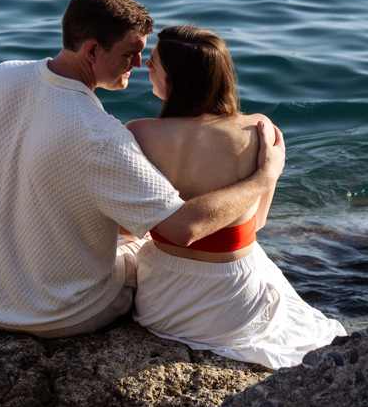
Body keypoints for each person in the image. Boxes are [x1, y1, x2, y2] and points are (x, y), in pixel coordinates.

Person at [0, 0, 288, 336]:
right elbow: (184, 230)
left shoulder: (2, 75)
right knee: (141, 246)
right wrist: (264, 177)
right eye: (130, 53)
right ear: (92, 50)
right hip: (61, 314)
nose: (138, 64)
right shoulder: (101, 136)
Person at [126, 24, 345, 367]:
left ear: (178, 78)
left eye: (154, 61)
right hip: (236, 309)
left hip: (162, 304)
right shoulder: (259, 129)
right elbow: (257, 222)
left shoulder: (137, 134)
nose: (145, 65)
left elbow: (127, 225)